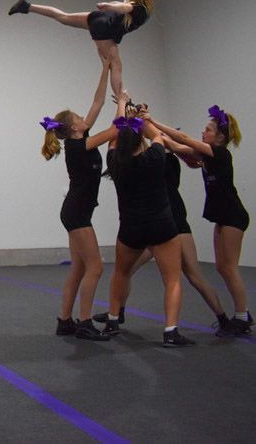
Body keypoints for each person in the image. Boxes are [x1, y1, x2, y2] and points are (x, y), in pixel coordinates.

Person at [146, 105, 250, 335]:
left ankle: (243, 316)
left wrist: (152, 119)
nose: (204, 132)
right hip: (222, 216)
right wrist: (150, 129)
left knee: (230, 268)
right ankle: (241, 315)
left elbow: (182, 138)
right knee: (222, 268)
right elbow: (174, 145)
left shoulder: (220, 153)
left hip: (233, 215)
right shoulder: (205, 154)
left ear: (220, 137)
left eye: (208, 129)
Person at [101, 95, 194, 347]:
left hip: (131, 227)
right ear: (139, 138)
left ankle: (112, 318)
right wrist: (143, 117)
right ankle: (171, 330)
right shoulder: (154, 157)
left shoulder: (115, 162)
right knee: (172, 279)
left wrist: (123, 108)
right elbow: (157, 135)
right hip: (161, 225)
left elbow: (113, 134)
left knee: (121, 272)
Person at [9, 0, 165, 98]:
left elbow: (123, 5)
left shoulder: (140, 4)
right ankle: (122, 102)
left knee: (64, 17)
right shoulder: (141, 7)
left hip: (100, 19)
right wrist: (109, 6)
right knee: (115, 65)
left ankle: (27, 6)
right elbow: (124, 7)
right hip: (105, 28)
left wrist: (109, 6)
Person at [39, 62, 114, 340]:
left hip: (75, 210)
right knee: (95, 266)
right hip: (77, 212)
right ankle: (84, 322)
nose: (86, 117)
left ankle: (65, 320)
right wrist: (126, 108)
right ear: (73, 127)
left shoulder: (83, 137)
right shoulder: (79, 145)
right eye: (81, 117)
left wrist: (106, 69)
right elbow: (117, 129)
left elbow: (98, 101)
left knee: (80, 267)